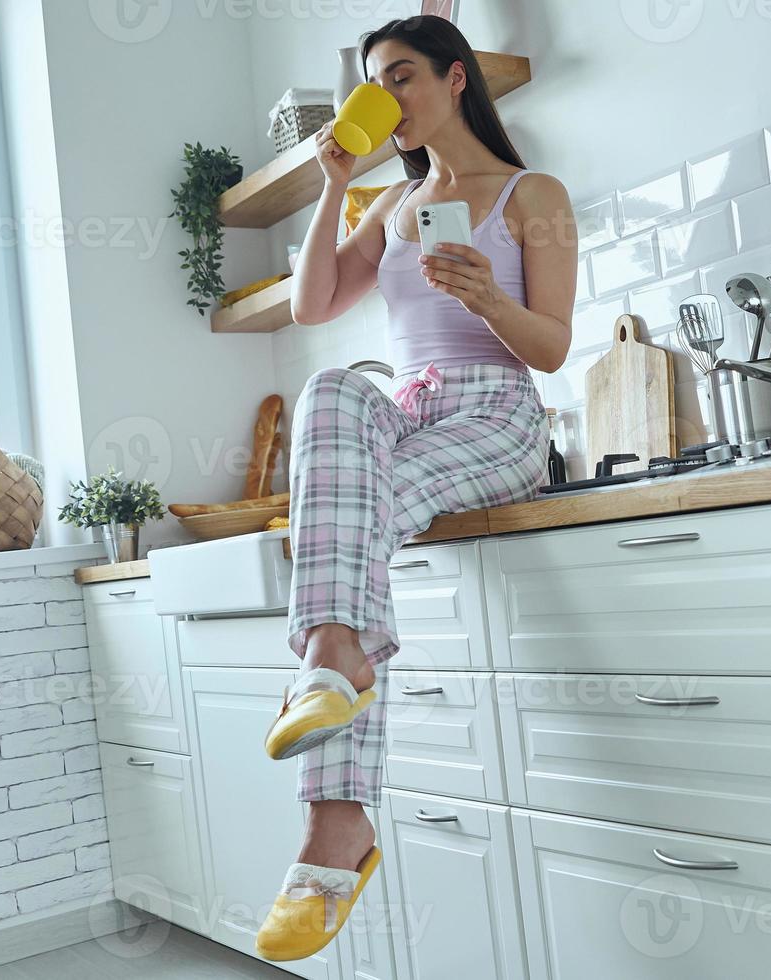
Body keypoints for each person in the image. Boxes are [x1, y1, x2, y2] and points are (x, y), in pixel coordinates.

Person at [253, 13, 577, 962]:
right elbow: (314, 306)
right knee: (327, 389)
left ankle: (331, 825)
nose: (383, 98)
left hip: (497, 415)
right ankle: (333, 656)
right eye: (371, 82)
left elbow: (552, 350)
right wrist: (334, 187)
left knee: (350, 522)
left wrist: (487, 298)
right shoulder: (390, 208)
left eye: (400, 78)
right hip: (410, 412)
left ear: (455, 80)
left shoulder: (530, 192)